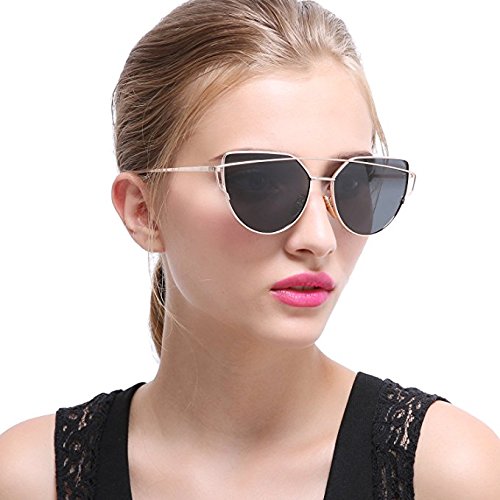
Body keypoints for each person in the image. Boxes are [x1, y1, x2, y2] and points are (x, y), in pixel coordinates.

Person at [0, 0, 499, 498]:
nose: (319, 239)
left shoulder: (449, 472)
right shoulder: (31, 478)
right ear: (143, 211)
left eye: (353, 183)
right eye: (259, 183)